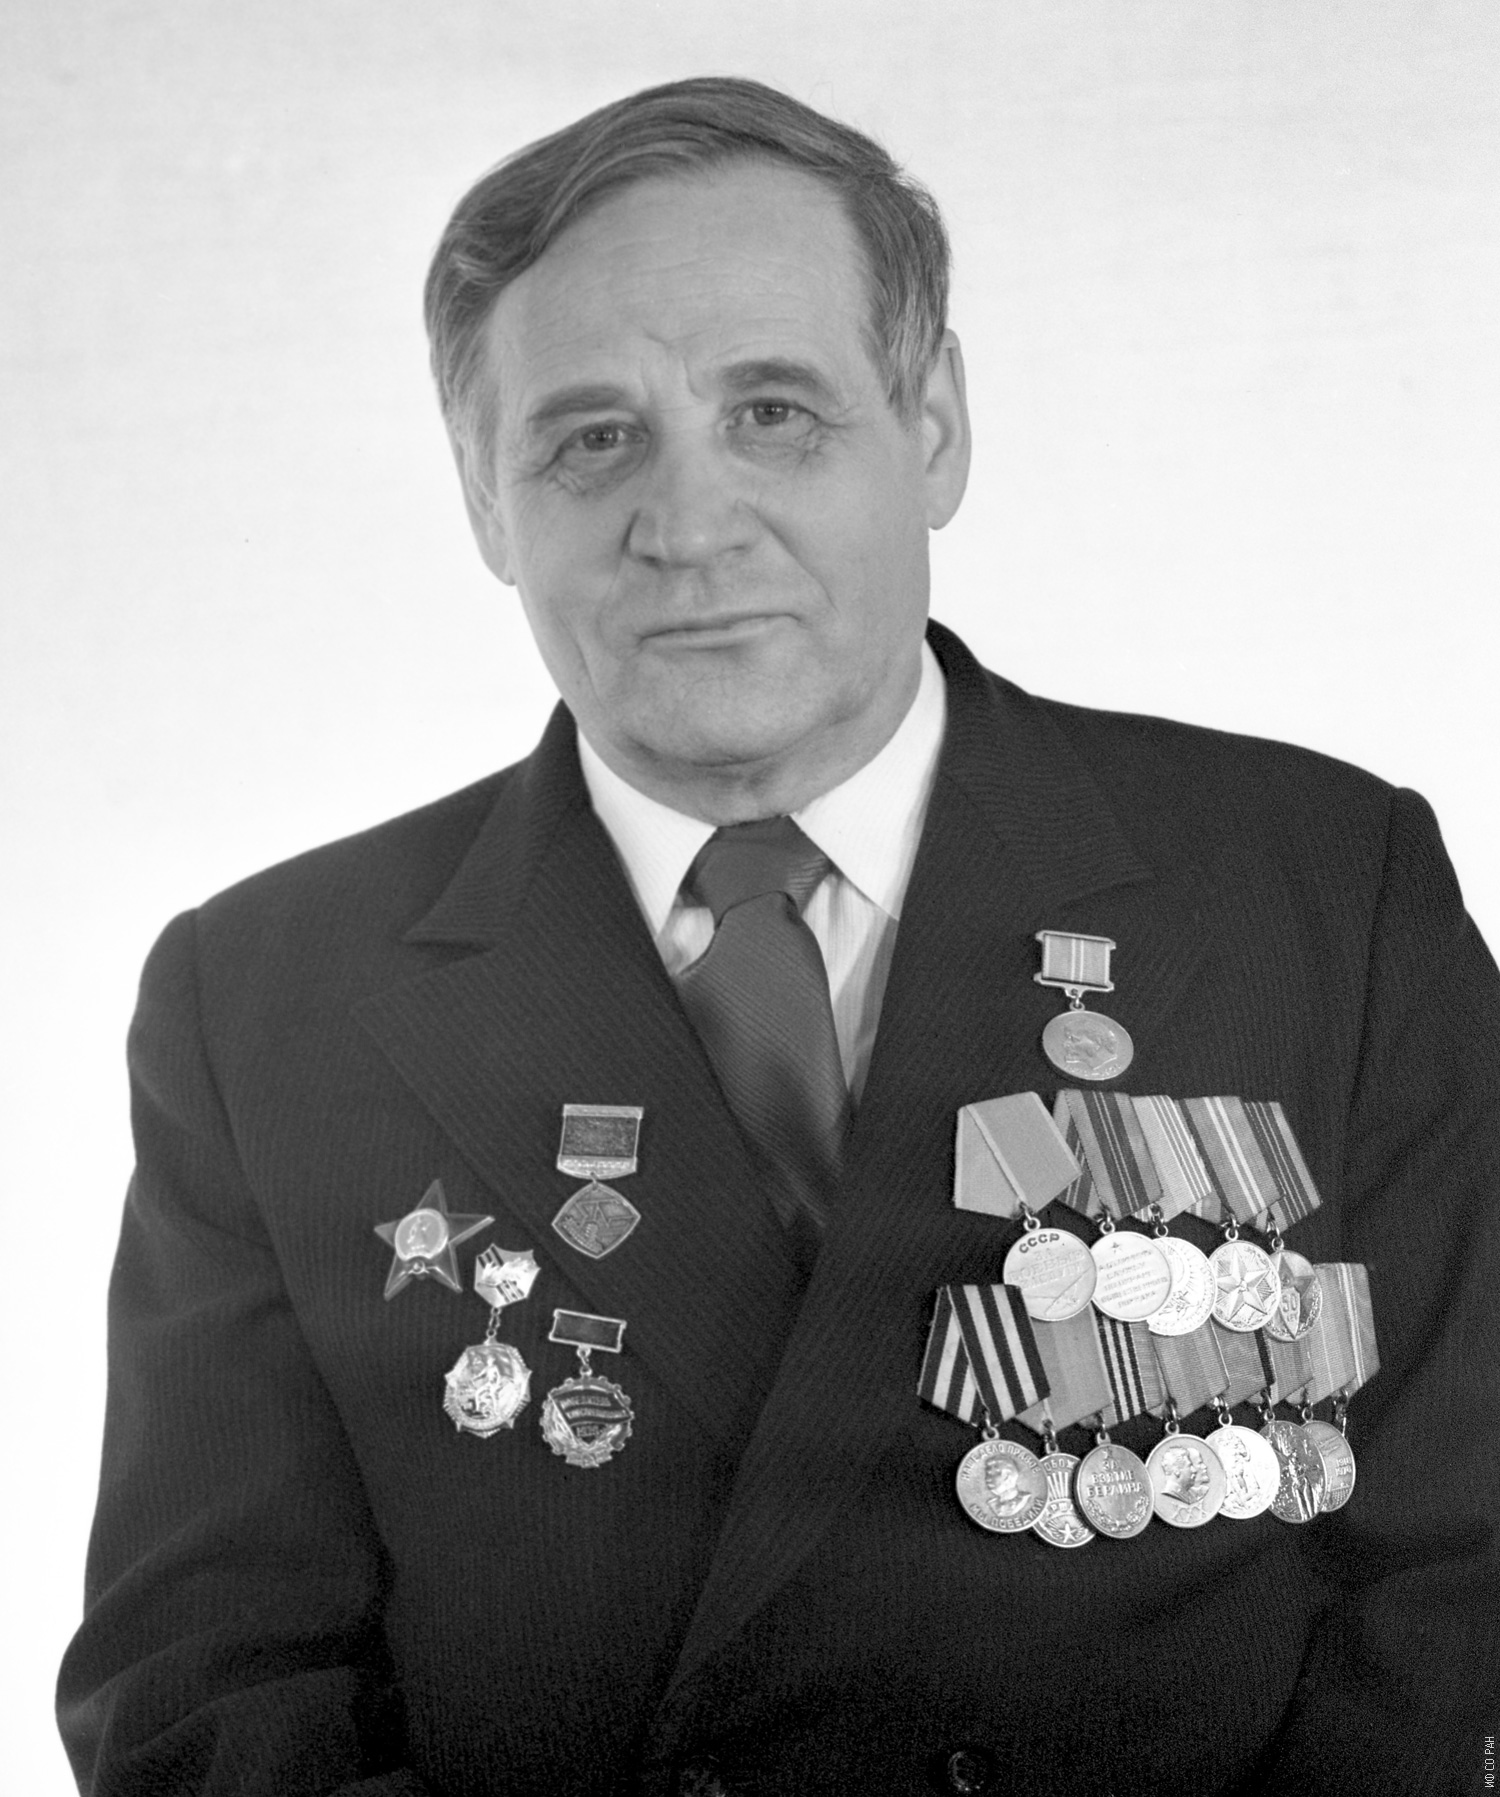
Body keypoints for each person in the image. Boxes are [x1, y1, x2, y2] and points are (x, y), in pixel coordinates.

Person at [58, 75, 1498, 1797]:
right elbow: (208, 1692)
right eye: (592, 439)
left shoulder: (1325, 889)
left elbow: (1463, 1582)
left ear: (935, 425)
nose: (687, 524)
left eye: (773, 412)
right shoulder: (266, 1000)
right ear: (486, 501)